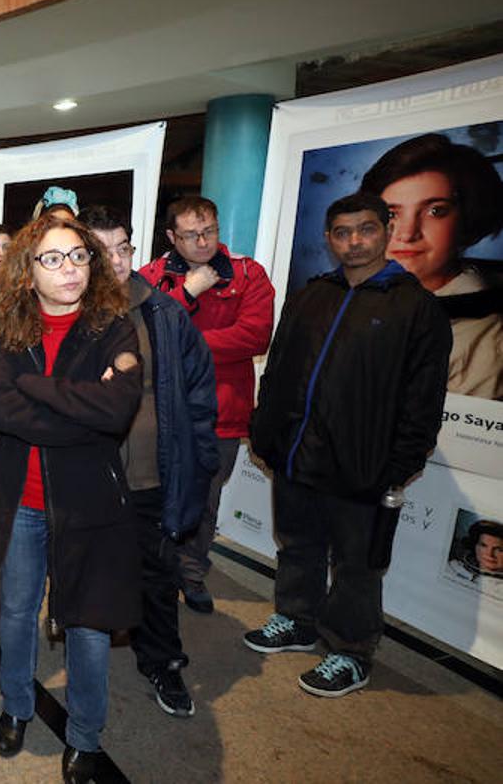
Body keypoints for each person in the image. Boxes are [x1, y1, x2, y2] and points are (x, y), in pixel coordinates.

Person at [0, 212, 142, 780]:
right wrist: (76, 403)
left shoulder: (113, 326)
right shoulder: (5, 329)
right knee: (15, 614)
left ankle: (85, 737)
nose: (71, 269)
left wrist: (35, 389)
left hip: (88, 501)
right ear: (27, 270)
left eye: (80, 256)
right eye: (53, 259)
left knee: (87, 624)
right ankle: (17, 706)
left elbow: (115, 413)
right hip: (20, 499)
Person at [247, 192, 451, 698]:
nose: (354, 241)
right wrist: (265, 433)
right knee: (298, 544)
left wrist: (401, 463)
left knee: (358, 564)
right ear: (328, 239)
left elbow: (424, 396)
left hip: (364, 463)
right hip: (297, 452)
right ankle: (296, 619)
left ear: (385, 230)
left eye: (364, 229)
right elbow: (277, 372)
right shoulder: (312, 295)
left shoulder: (415, 306)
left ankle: (350, 651)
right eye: (342, 232)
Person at [82, 204, 219, 719]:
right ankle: (83, 670)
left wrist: (199, 463)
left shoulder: (165, 312)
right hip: (86, 476)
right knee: (84, 577)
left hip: (148, 475)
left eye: (124, 248)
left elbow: (199, 395)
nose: (116, 262)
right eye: (101, 251)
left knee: (157, 578)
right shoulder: (65, 314)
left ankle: (162, 661)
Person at [140, 195, 274, 613]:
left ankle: (192, 571)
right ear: (171, 237)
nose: (202, 241)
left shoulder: (248, 274)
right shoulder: (152, 276)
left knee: (204, 501)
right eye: (190, 234)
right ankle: (153, 568)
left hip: (220, 412)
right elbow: (145, 333)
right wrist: (187, 292)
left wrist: (185, 344)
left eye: (209, 231)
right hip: (157, 411)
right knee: (151, 496)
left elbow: (254, 336)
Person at [357, 133, 503, 398]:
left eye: (435, 211)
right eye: (391, 214)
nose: (407, 233)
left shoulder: (485, 342)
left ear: (468, 219)